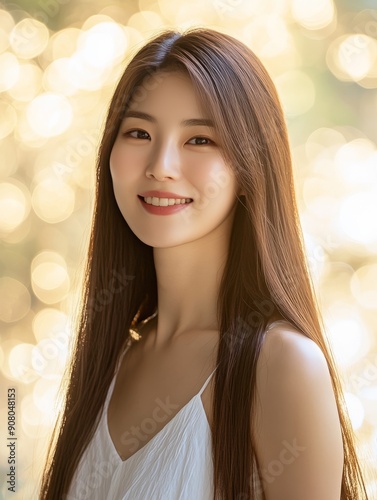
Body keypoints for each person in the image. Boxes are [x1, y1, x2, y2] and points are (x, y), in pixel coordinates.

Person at [39, 27, 369, 499]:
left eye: (199, 140)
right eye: (138, 132)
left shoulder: (282, 366)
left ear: (251, 167)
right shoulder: (110, 360)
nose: (161, 164)